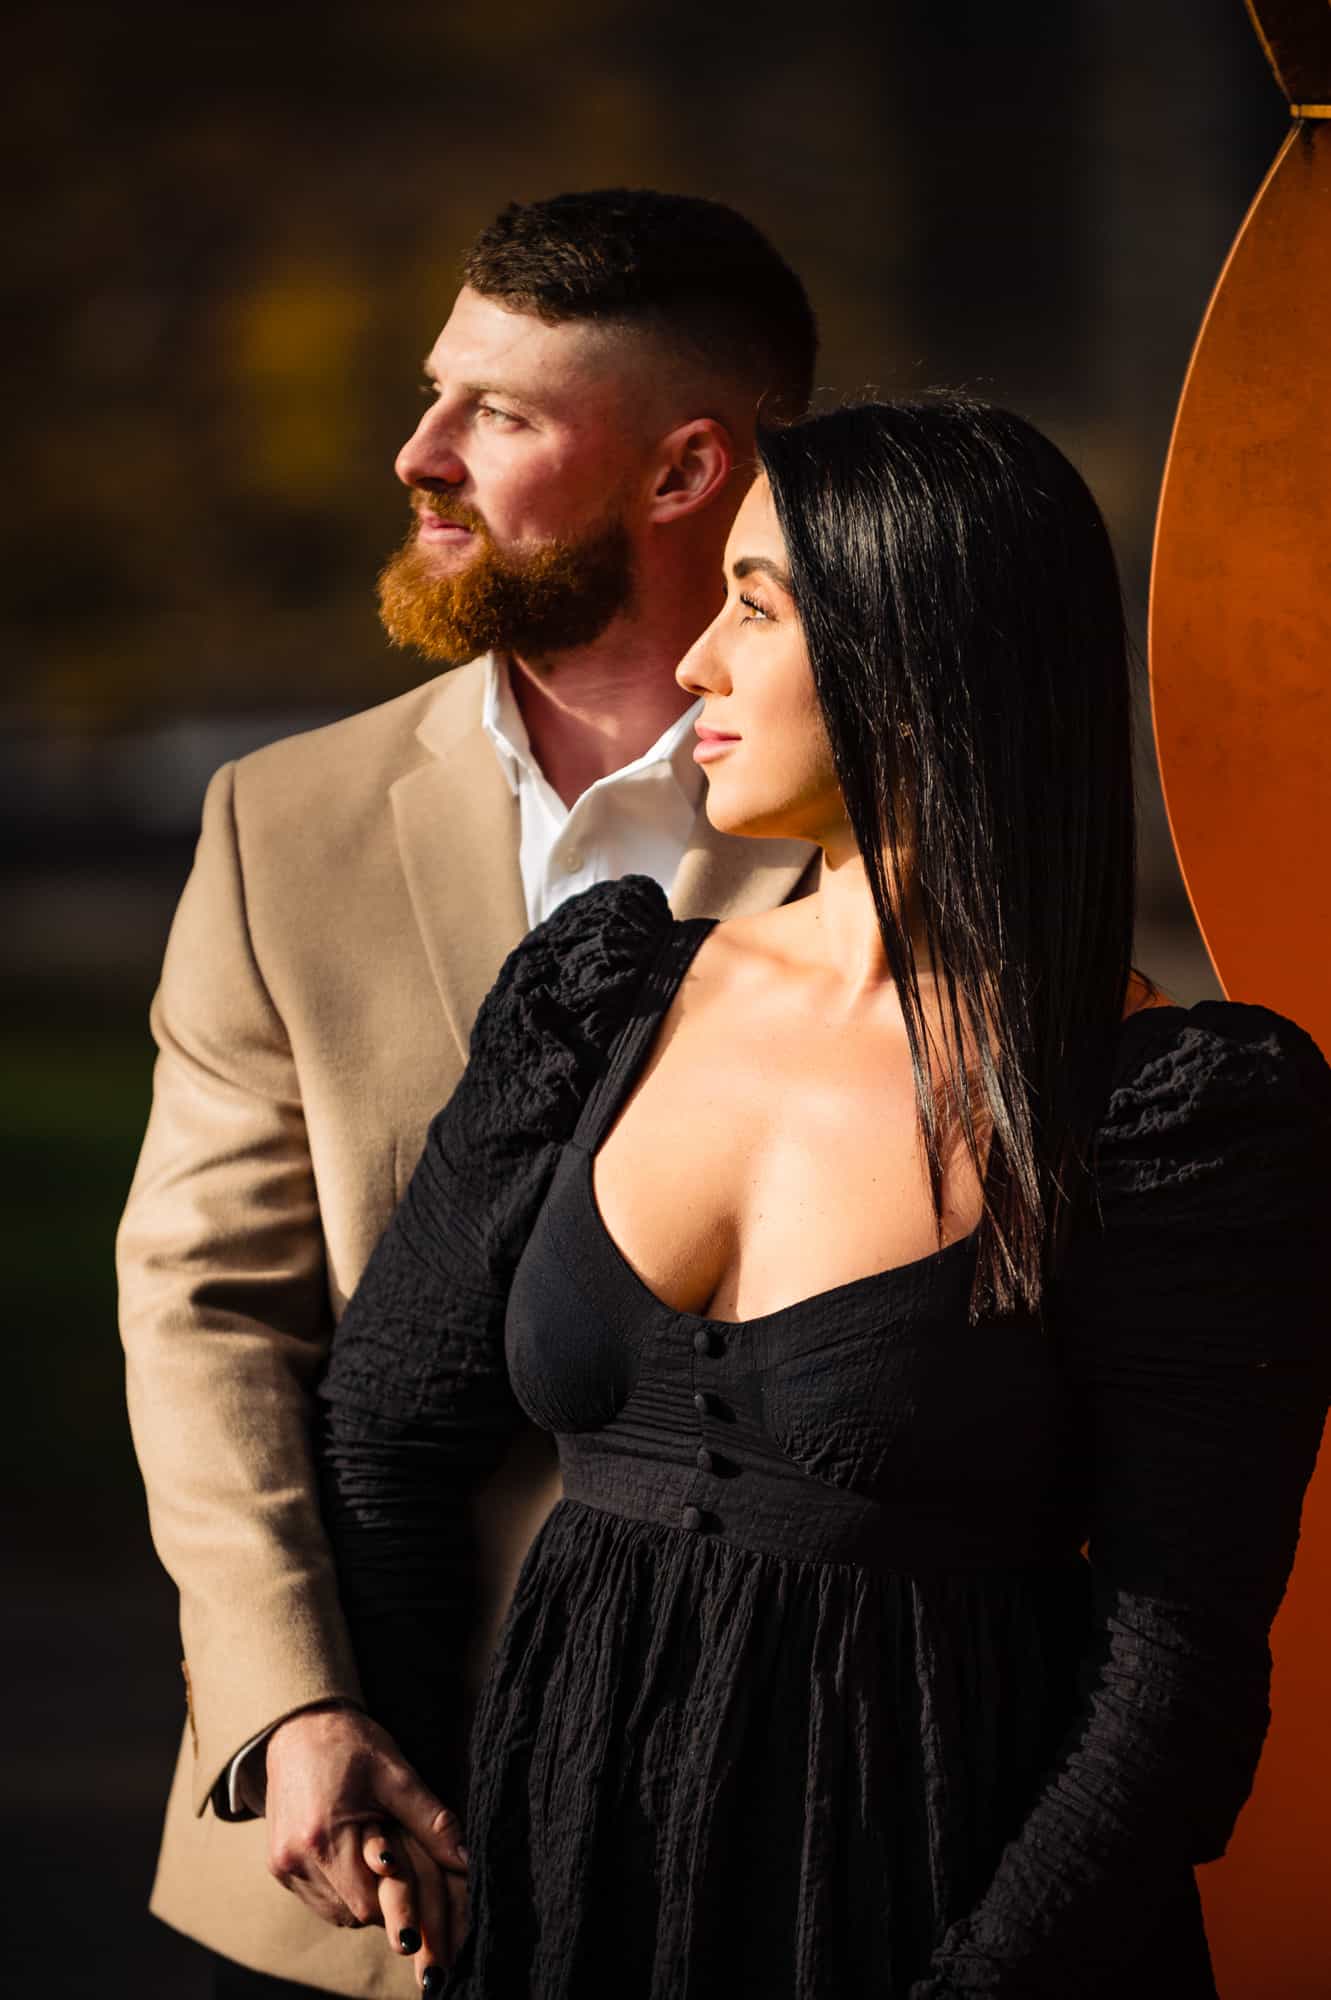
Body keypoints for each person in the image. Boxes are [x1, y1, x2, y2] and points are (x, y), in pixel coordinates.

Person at [316, 397, 1331, 1999]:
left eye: (756, 606)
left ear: (918, 656)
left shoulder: (1172, 1116)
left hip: (946, 1918)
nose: (697, 663)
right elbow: (386, 1412)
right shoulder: (602, 994)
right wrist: (391, 1755)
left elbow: (1177, 1674)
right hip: (562, 1911)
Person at [116, 188, 819, 1998]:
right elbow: (202, 1310)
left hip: (759, 1827)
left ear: (686, 473)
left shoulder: (890, 834)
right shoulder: (285, 825)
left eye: (500, 414)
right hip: (350, 1827)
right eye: (443, 393)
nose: (419, 454)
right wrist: (293, 1701)